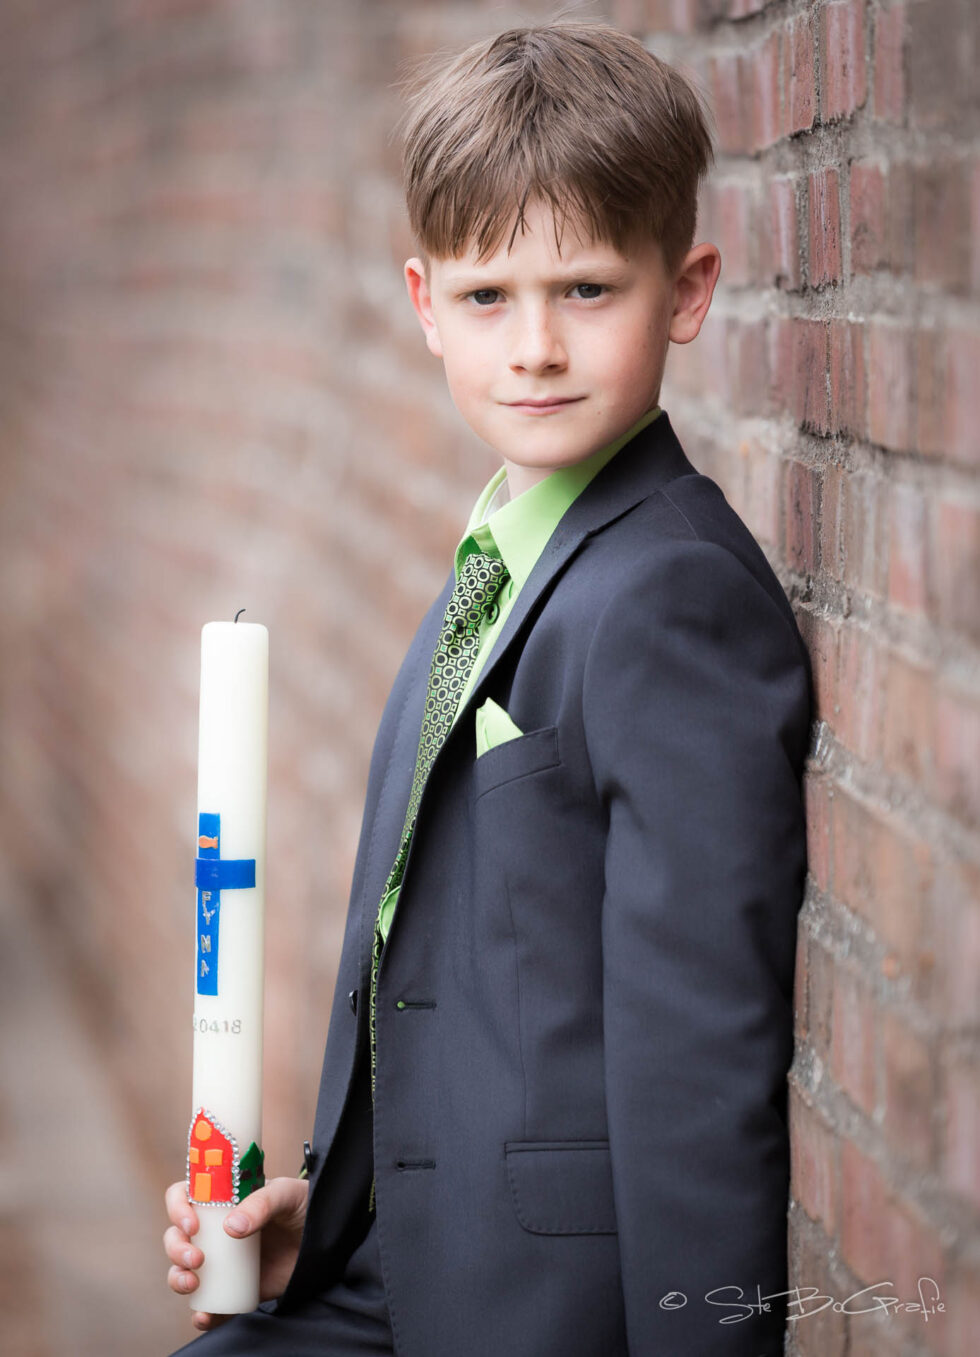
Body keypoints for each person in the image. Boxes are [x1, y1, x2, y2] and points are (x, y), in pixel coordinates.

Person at [163, 19, 812, 1355]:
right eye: (485, 298)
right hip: (402, 1273)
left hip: (542, 1319)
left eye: (587, 289)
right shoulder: (503, 556)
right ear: (422, 303)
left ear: (686, 290)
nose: (535, 347)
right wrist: (324, 1228)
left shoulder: (671, 597)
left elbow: (698, 1071)